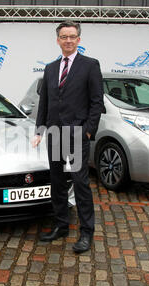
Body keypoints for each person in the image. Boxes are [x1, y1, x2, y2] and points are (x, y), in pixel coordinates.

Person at [32, 21, 104, 254]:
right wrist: (39, 130)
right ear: (58, 40)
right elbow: (45, 102)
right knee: (57, 183)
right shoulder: (51, 68)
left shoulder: (90, 66)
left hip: (77, 135)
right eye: (64, 37)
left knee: (81, 183)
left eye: (72, 36)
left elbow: (97, 103)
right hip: (54, 135)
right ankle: (61, 225)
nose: (68, 40)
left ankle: (86, 232)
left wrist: (88, 131)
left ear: (79, 40)